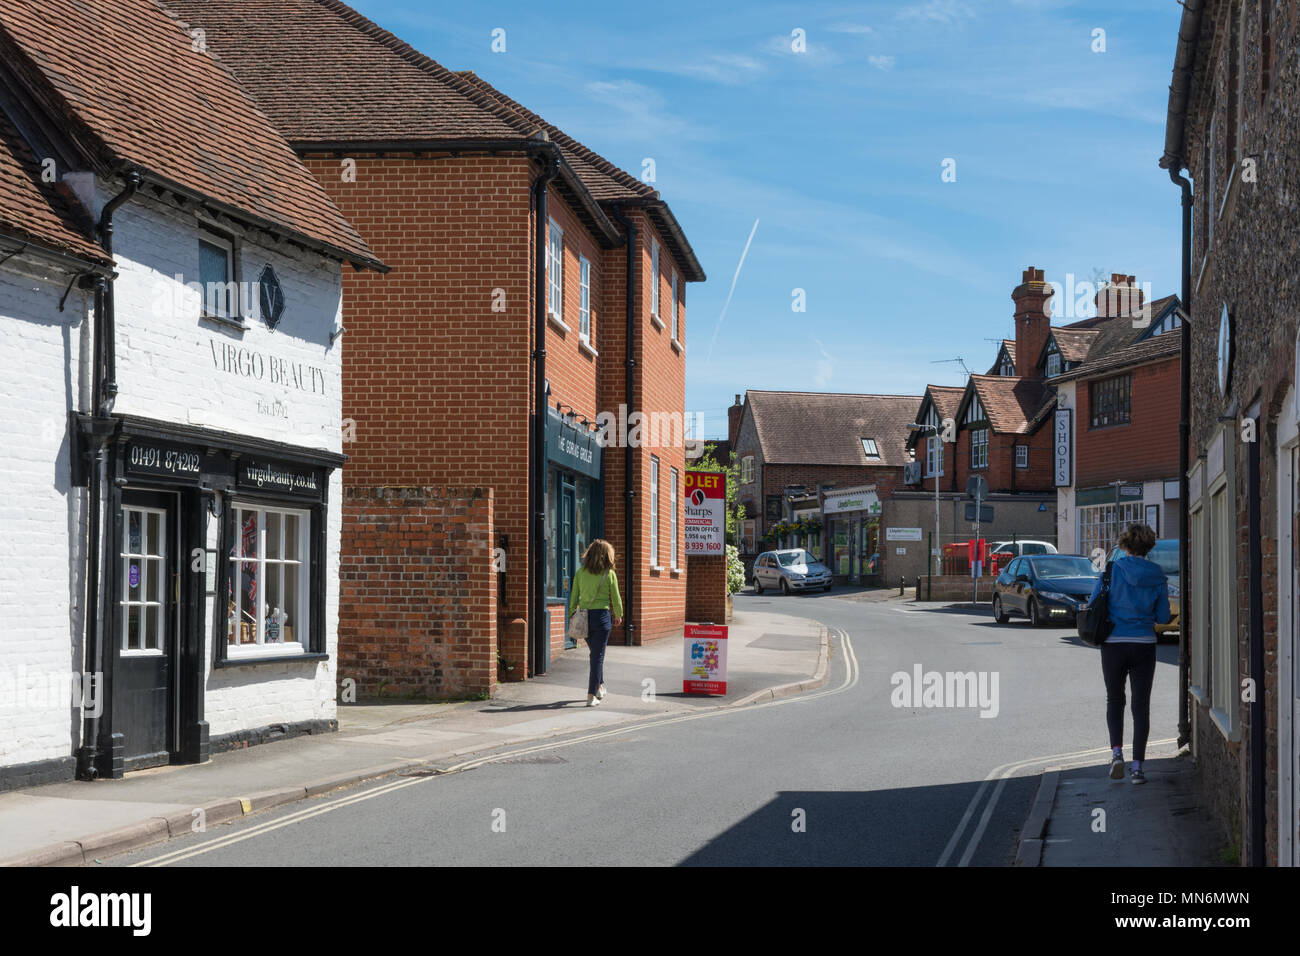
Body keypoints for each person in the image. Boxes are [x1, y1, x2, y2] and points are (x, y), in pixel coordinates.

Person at [1088, 523, 1171, 785]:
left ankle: (1116, 754)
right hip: (1144, 644)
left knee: (1115, 700)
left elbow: (1092, 605)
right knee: (1141, 705)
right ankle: (1138, 768)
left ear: (1124, 545)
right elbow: (1163, 617)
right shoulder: (1157, 575)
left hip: (1113, 644)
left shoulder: (1111, 571)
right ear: (1149, 547)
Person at [567, 539, 623, 707]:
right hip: (602, 618)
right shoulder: (609, 573)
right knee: (597, 657)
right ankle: (591, 695)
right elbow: (616, 597)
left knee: (595, 655)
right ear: (607, 556)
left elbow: (574, 594)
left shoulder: (580, 572)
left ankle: (599, 686)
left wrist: (571, 613)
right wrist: (619, 614)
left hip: (584, 617)